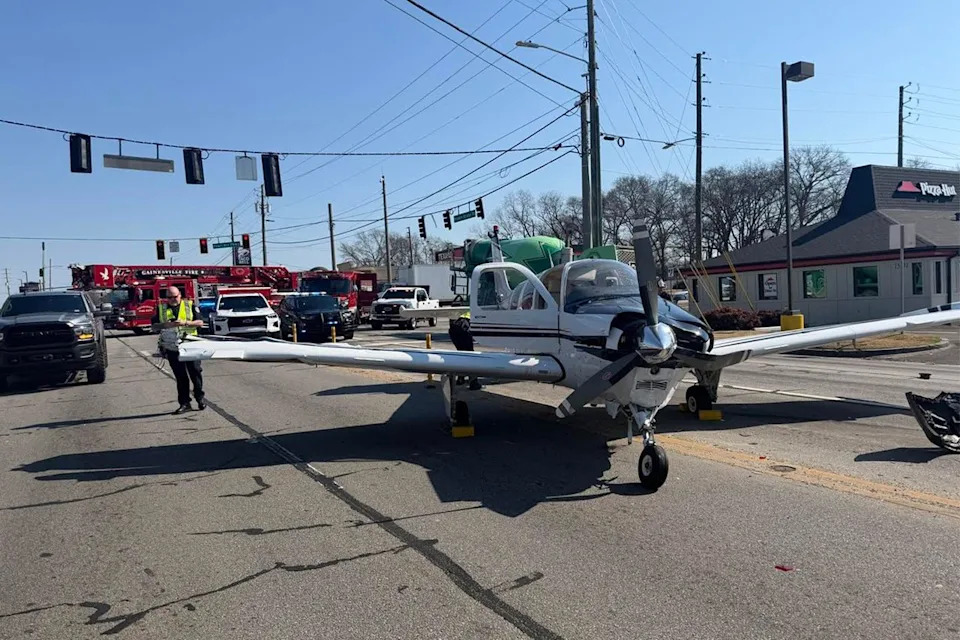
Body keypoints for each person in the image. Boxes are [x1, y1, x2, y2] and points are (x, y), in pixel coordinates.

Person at [151, 286, 205, 414]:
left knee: (195, 372)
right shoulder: (161, 309)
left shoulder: (189, 305)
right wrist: (166, 325)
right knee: (181, 377)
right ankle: (185, 403)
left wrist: (186, 323)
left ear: (180, 295)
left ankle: (200, 399)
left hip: (191, 345)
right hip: (172, 347)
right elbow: (153, 326)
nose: (172, 299)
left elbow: (200, 322)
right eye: (169, 297)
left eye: (175, 297)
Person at [448, 310, 481, 390]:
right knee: (470, 355)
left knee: (461, 353)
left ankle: (461, 378)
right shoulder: (472, 306)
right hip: (464, 325)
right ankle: (473, 381)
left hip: (454, 327)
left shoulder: (458, 305)